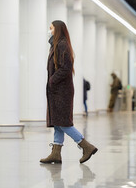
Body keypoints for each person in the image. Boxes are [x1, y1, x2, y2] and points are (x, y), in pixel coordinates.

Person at [40, 20, 98, 164]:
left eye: (51, 28)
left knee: (64, 123)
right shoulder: (56, 45)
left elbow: (65, 68)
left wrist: (52, 80)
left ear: (58, 29)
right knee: (58, 122)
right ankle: (56, 153)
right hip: (57, 91)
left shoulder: (62, 45)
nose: (49, 31)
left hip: (61, 91)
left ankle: (86, 146)